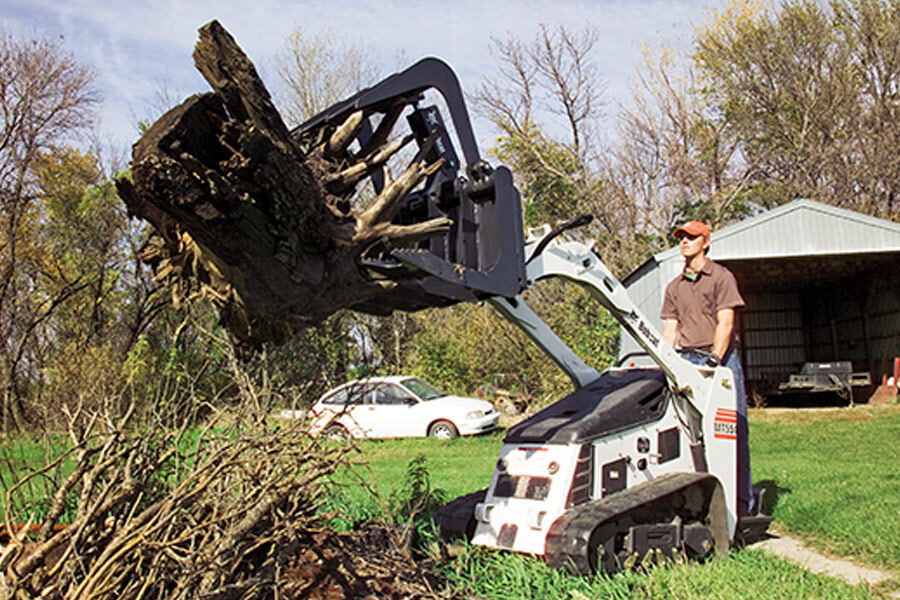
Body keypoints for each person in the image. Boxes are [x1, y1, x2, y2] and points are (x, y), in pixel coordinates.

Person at [660, 220, 755, 516]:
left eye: (691, 237)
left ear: (705, 241)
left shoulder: (721, 277)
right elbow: (670, 329)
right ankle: (698, 507)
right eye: (681, 238)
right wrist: (665, 362)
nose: (684, 241)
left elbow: (726, 322)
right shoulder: (674, 287)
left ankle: (741, 508)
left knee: (732, 429)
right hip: (687, 362)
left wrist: (715, 358)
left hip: (720, 362)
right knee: (690, 433)